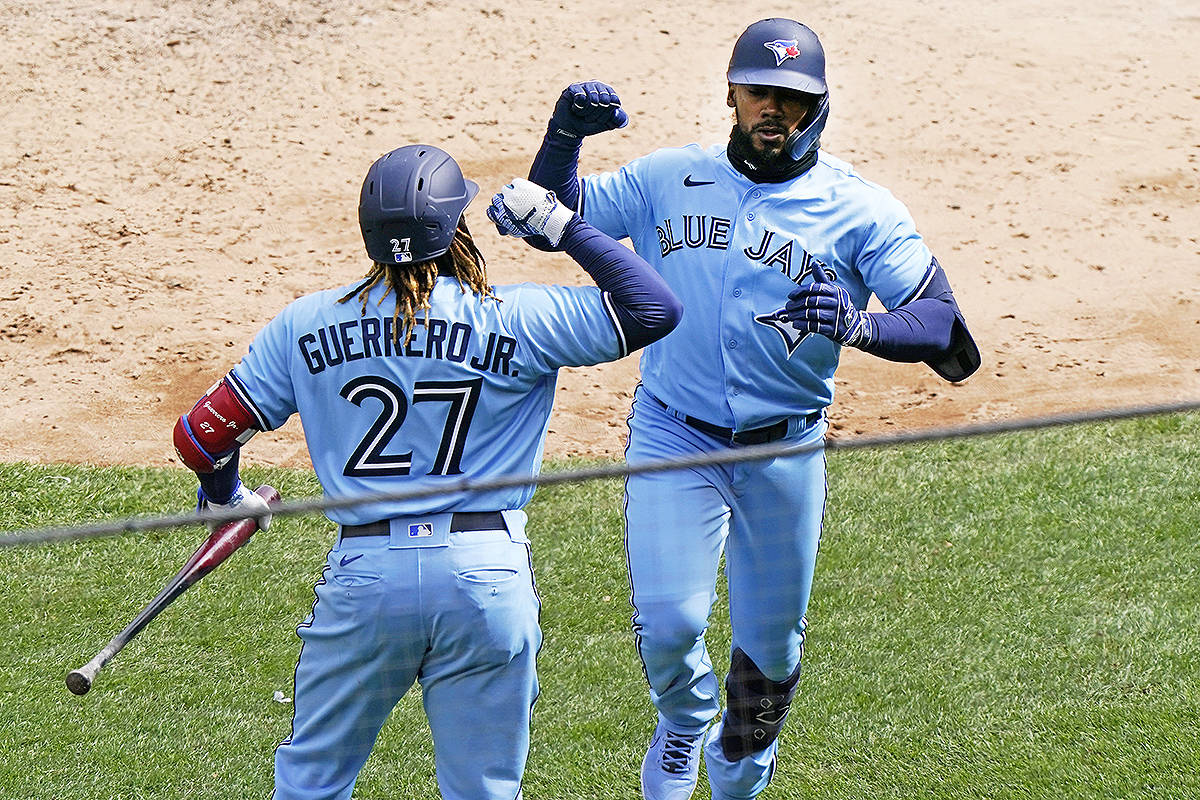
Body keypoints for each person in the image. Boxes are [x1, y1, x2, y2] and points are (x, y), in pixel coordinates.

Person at [522, 18, 980, 800]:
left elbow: (947, 333)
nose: (776, 109)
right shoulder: (668, 177)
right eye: (760, 91)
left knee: (770, 657)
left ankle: (741, 779)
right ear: (731, 94)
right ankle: (682, 720)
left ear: (821, 105)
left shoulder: (858, 209)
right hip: (676, 436)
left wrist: (858, 325)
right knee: (668, 627)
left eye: (794, 98)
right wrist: (564, 136)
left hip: (785, 452)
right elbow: (555, 216)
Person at [170, 144, 681, 800]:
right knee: (483, 791)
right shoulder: (518, 316)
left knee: (311, 786)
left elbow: (201, 436)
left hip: (365, 582)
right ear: (454, 227)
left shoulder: (305, 324)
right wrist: (563, 226)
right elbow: (653, 308)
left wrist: (226, 498)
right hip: (484, 576)